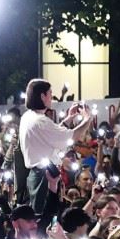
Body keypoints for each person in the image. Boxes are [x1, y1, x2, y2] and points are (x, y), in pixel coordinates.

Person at [18, 79, 92, 220]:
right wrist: (87, 119)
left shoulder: (28, 117)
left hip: (38, 174)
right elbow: (71, 137)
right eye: (50, 93)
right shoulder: (40, 121)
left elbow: (54, 133)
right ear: (42, 96)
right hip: (44, 176)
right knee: (45, 217)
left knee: (42, 214)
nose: (52, 97)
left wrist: (69, 118)